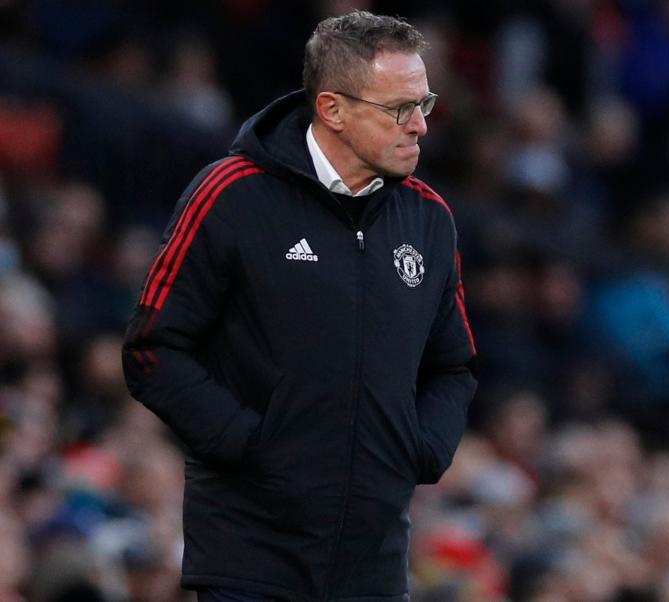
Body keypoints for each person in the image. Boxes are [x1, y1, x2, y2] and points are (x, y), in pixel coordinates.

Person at [121, 11, 477, 602]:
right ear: (333, 109)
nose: (419, 126)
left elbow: (454, 364)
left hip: (374, 569)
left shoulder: (429, 217)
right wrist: (248, 443)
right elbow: (152, 348)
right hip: (250, 563)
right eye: (399, 109)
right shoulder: (229, 194)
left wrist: (424, 449)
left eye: (425, 103)